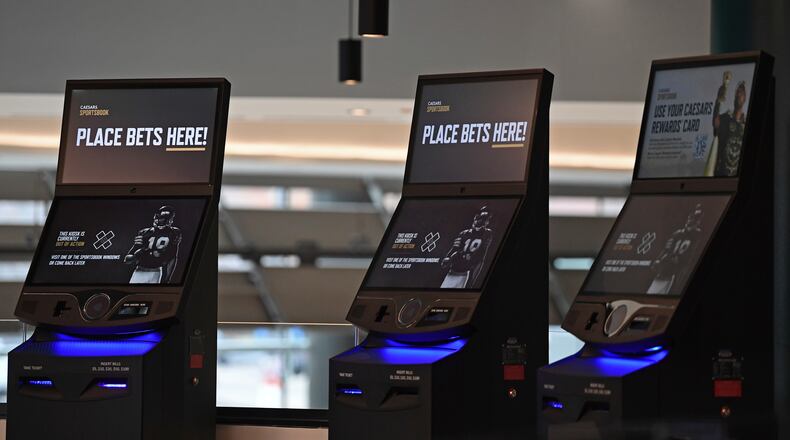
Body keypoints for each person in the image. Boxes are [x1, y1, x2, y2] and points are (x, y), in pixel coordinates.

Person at [647, 204, 704, 294]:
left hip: (676, 272)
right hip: (667, 271)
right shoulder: (678, 234)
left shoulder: (698, 236)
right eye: (690, 218)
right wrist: (659, 259)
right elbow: (667, 249)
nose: (690, 220)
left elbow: (692, 256)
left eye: (694, 218)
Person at [124, 205, 182, 284]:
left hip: (157, 271)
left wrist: (167, 278)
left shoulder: (174, 233)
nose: (160, 221)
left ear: (170, 219)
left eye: (164, 219)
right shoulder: (144, 232)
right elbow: (127, 259)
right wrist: (135, 256)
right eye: (160, 218)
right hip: (140, 271)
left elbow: (172, 257)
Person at [440, 206, 493, 288]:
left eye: (485, 219)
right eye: (480, 218)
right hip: (453, 271)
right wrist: (448, 257)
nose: (481, 221)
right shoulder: (464, 233)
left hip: (465, 273)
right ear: (476, 217)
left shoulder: (487, 234)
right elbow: (455, 248)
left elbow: (481, 257)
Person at [706, 76, 748, 177]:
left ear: (745, 97)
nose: (739, 94)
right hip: (720, 177)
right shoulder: (725, 118)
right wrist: (718, 101)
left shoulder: (747, 125)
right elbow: (715, 123)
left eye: (742, 92)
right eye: (737, 92)